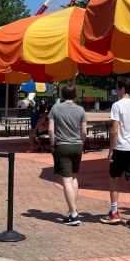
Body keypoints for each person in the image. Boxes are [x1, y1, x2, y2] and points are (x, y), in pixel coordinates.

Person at [101, 76, 130, 230]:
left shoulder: (117, 105)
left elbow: (114, 130)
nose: (116, 91)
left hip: (121, 147)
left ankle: (114, 212)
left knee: (114, 178)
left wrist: (110, 150)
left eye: (116, 88)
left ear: (121, 88)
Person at [47, 84, 88, 226]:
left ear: (62, 95)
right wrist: (81, 143)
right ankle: (73, 210)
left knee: (66, 180)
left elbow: (50, 129)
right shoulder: (80, 109)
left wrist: (53, 145)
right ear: (75, 95)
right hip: (77, 145)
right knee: (74, 177)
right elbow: (84, 132)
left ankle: (74, 215)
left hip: (62, 145)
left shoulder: (55, 108)